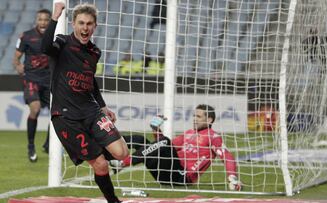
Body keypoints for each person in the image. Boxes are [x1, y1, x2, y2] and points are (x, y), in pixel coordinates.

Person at [41, 3, 129, 203]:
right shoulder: (61, 44)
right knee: (100, 165)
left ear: (95, 26)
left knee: (122, 153)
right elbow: (44, 47)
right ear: (73, 24)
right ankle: (113, 201)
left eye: (89, 24)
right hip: (66, 117)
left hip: (91, 111)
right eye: (81, 23)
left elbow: (91, 81)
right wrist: (55, 17)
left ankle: (98, 144)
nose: (85, 28)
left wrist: (103, 105)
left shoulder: (94, 52)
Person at [111, 104, 241, 191]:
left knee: (164, 141)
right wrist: (156, 130)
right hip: (166, 172)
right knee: (139, 140)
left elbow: (227, 156)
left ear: (209, 120)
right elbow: (164, 147)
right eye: (194, 116)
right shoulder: (189, 133)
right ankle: (106, 148)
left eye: (199, 116)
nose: (194, 119)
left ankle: (121, 164)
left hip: (182, 176)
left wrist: (232, 177)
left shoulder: (213, 137)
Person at [13, 9, 52, 162]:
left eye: (46, 20)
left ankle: (49, 144)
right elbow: (16, 58)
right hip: (32, 79)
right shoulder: (26, 36)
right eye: (40, 19)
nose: (43, 22)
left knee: (56, 114)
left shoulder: (55, 37)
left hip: (49, 80)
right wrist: (18, 67)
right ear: (36, 20)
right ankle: (31, 146)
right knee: (35, 109)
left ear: (50, 21)